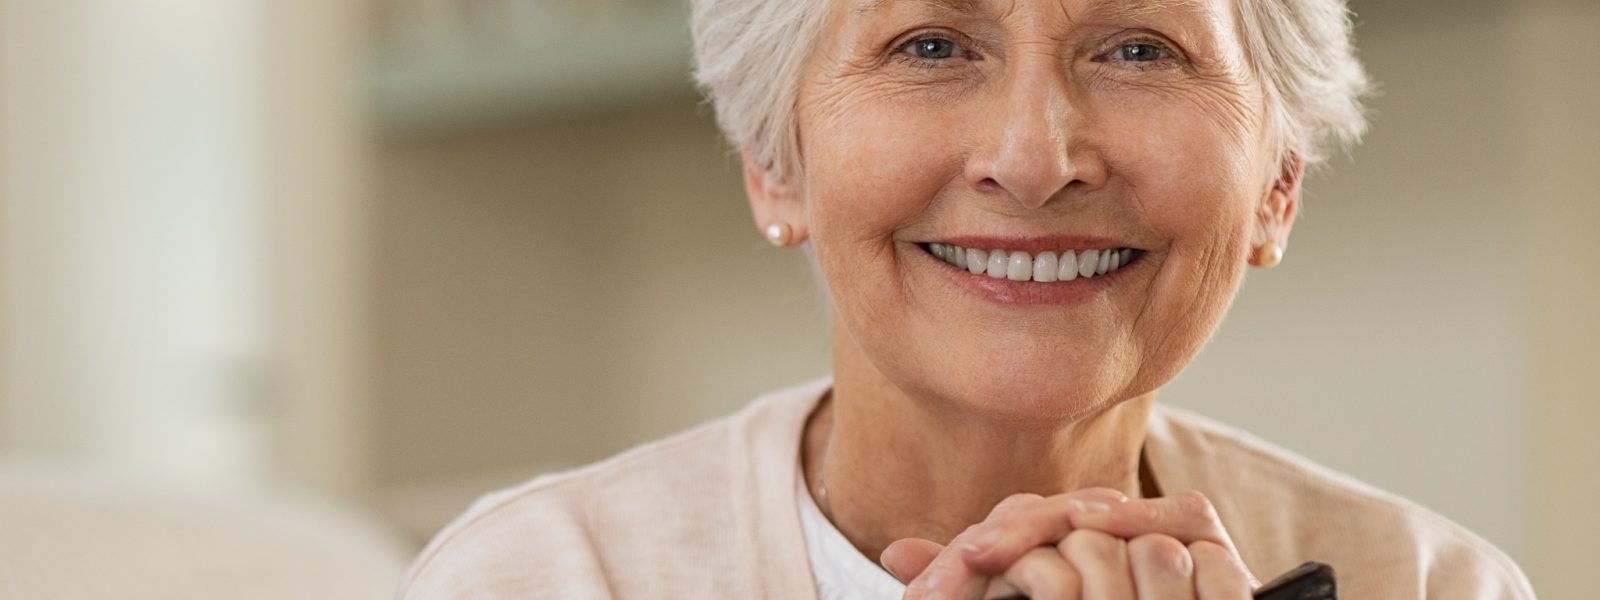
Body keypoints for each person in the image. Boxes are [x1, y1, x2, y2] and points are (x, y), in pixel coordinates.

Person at [400, 0, 1537, 597]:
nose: (1034, 156)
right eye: (932, 44)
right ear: (773, 163)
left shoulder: (1432, 588)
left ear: (1277, 187)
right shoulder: (545, 581)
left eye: (1139, 50)